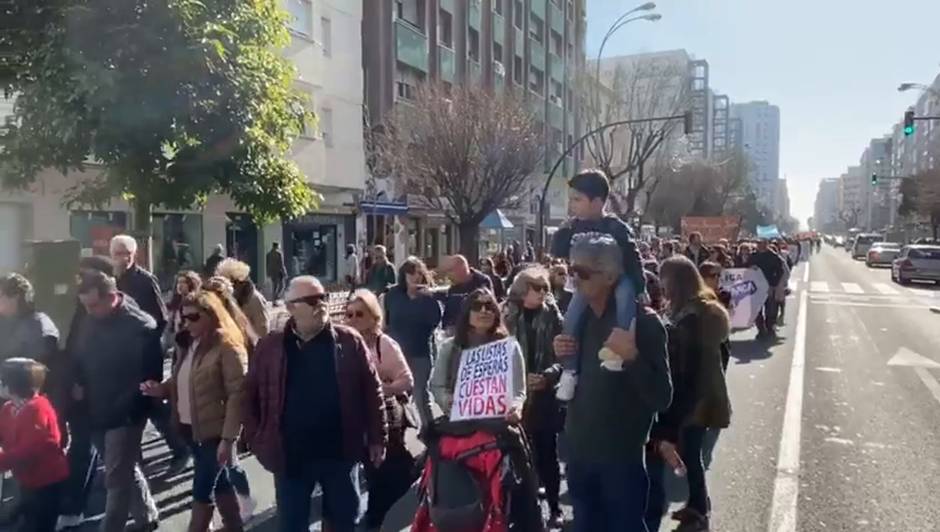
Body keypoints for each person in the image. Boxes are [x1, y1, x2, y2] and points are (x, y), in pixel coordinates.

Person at [242, 276, 387, 532]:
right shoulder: (271, 346)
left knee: (345, 521)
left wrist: (377, 438)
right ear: (291, 307)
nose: (321, 304)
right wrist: (256, 439)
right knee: (292, 524)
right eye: (311, 300)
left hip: (339, 453)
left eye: (324, 298)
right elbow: (250, 394)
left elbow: (372, 391)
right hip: (291, 456)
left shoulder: (348, 341)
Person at [552, 235, 672, 532]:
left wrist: (631, 356)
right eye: (570, 270)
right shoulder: (577, 321)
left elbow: (662, 396)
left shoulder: (643, 323)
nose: (573, 279)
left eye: (581, 272)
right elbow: (573, 379)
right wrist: (559, 359)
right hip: (579, 451)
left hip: (621, 457)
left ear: (609, 276)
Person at [141, 291, 248, 532]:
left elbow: (238, 395)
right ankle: (234, 525)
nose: (187, 323)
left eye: (193, 317)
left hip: (215, 432)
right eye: (183, 317)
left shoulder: (227, 346)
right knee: (219, 483)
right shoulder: (187, 344)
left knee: (202, 489)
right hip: (190, 428)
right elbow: (184, 380)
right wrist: (161, 389)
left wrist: (228, 439)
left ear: (210, 315)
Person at [647, 256, 732, 532]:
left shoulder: (693, 317)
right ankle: (697, 505)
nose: (661, 284)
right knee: (692, 453)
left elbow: (686, 364)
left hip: (696, 396)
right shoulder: (694, 310)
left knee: (691, 451)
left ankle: (699, 509)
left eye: (665, 278)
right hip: (703, 392)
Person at [72, 271, 160, 532]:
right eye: (85, 305)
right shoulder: (89, 318)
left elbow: (149, 376)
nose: (88, 311)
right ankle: (146, 515)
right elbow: (79, 353)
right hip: (95, 407)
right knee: (121, 467)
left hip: (125, 411)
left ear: (111, 297)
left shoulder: (141, 326)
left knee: (115, 478)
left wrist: (134, 407)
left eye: (93, 305)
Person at [550, 169, 646, 402]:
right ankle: (570, 371)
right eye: (571, 199)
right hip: (585, 284)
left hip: (616, 279)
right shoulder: (572, 227)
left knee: (625, 296)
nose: (572, 205)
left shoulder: (616, 227)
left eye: (577, 200)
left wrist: (640, 288)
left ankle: (616, 352)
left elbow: (633, 259)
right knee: (571, 319)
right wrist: (563, 233)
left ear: (598, 202)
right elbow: (557, 252)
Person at [109, 234, 191, 478]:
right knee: (133, 406)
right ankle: (135, 461)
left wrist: (143, 337)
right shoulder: (112, 280)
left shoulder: (144, 280)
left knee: (152, 403)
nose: (122, 258)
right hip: (122, 357)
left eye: (126, 253)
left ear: (134, 255)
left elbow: (161, 318)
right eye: (117, 253)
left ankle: (180, 448)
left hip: (146, 354)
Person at [345, 290, 415, 532]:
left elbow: (406, 381)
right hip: (355, 421)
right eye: (349, 314)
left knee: (384, 473)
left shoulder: (383, 343)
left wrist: (378, 390)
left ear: (374, 316)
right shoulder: (343, 343)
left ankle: (382, 519)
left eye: (359, 314)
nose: (353, 319)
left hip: (387, 419)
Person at [503, 268, 564, 528]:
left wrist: (548, 376)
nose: (542, 293)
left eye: (545, 288)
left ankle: (554, 507)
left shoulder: (553, 316)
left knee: (547, 452)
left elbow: (564, 355)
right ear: (521, 289)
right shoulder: (506, 314)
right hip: (513, 396)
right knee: (516, 456)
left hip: (544, 395)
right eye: (536, 288)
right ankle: (519, 511)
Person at [57, 256, 115, 530]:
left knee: (87, 446)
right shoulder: (80, 306)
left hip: (96, 390)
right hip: (79, 387)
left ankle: (74, 506)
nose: (79, 280)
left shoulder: (107, 312)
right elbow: (74, 348)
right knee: (92, 446)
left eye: (85, 275)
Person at [0, 358, 69, 532]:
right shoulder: (9, 408)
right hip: (27, 479)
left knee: (41, 524)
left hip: (47, 481)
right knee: (29, 519)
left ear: (13, 386)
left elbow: (27, 452)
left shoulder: (36, 410)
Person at [382, 257, 442, 426]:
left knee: (421, 395)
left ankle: (430, 434)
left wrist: (421, 298)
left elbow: (435, 321)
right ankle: (398, 433)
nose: (415, 277)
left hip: (420, 352)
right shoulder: (393, 295)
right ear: (404, 275)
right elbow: (386, 323)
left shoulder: (429, 297)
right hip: (397, 354)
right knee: (397, 397)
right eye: (411, 273)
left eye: (418, 273)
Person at [215, 258, 270, 338]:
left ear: (238, 282)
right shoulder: (230, 298)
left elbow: (262, 330)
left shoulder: (254, 299)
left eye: (228, 282)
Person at [438, 255, 493, 333]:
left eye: (450, 271)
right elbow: (449, 315)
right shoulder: (453, 289)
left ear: (461, 268)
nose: (448, 276)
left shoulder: (482, 281)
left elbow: (490, 306)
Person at [747, 239, 786, 340]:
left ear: (767, 244)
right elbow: (746, 268)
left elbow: (780, 271)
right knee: (756, 310)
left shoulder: (773, 256)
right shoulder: (753, 256)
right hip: (755, 287)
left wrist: (774, 285)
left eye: (763, 244)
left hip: (768, 286)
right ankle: (761, 330)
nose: (760, 246)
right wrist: (751, 268)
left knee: (770, 310)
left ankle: (770, 329)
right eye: (758, 244)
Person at [164, 271, 202, 352]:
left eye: (183, 282)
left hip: (191, 345)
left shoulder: (195, 304)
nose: (180, 285)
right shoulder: (174, 305)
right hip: (177, 347)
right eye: (178, 282)